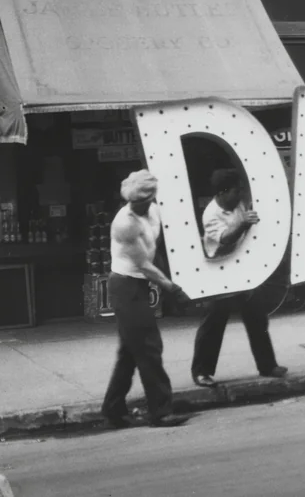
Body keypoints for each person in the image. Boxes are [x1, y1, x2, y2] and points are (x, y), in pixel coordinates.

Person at [102, 169, 191, 429]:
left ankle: (113, 409)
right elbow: (142, 264)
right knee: (149, 347)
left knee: (131, 351)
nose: (141, 204)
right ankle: (160, 412)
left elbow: (154, 250)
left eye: (145, 199)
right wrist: (171, 287)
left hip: (138, 285)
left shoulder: (153, 210)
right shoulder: (124, 223)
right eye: (136, 201)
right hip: (126, 286)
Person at [190, 169, 288, 387]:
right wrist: (243, 222)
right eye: (237, 191)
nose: (241, 195)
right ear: (223, 192)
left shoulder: (238, 205)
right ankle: (201, 372)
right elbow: (224, 238)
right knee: (213, 322)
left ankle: (267, 365)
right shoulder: (211, 214)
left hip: (242, 270)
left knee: (257, 317)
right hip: (220, 272)